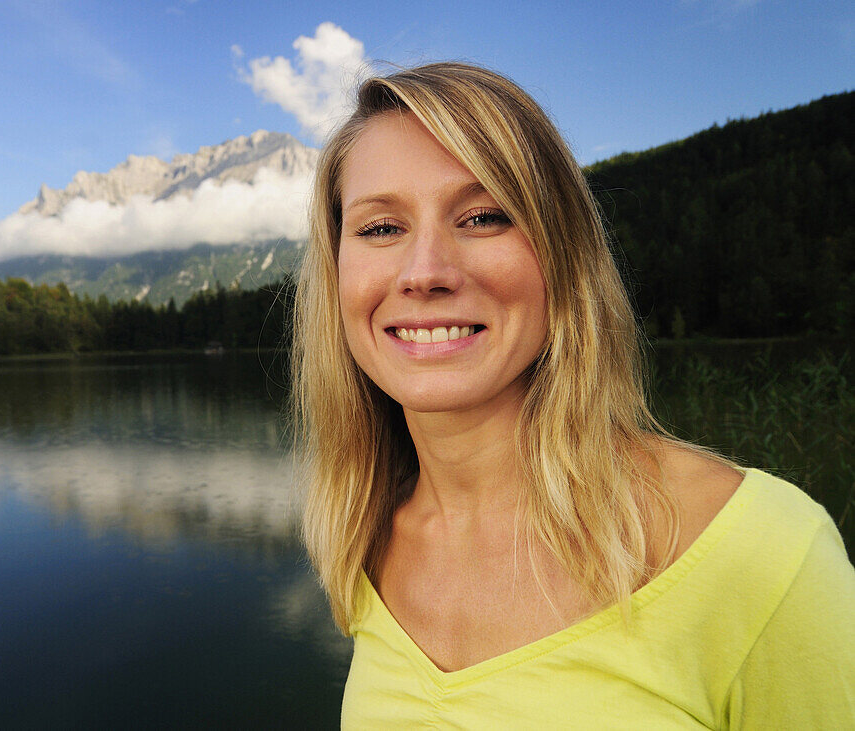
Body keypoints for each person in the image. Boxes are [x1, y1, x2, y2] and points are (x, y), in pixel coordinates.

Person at [290, 62, 855, 728]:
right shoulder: (365, 542)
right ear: (336, 272)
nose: (425, 273)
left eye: (483, 216)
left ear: (562, 253)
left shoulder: (762, 551)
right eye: (381, 228)